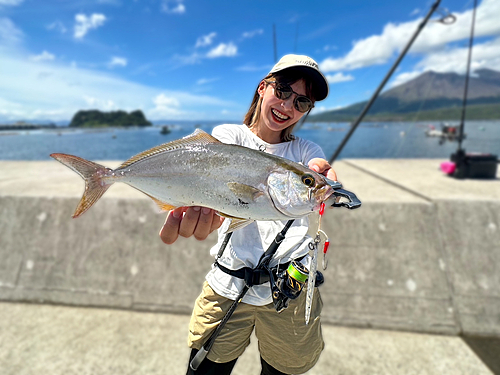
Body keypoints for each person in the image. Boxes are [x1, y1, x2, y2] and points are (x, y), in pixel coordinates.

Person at [159, 54, 338, 375]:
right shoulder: (230, 137)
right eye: (282, 90)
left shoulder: (306, 151)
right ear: (262, 88)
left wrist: (318, 177)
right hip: (227, 286)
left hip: (290, 291)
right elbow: (216, 168)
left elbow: (316, 169)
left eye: (301, 102)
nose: (287, 105)